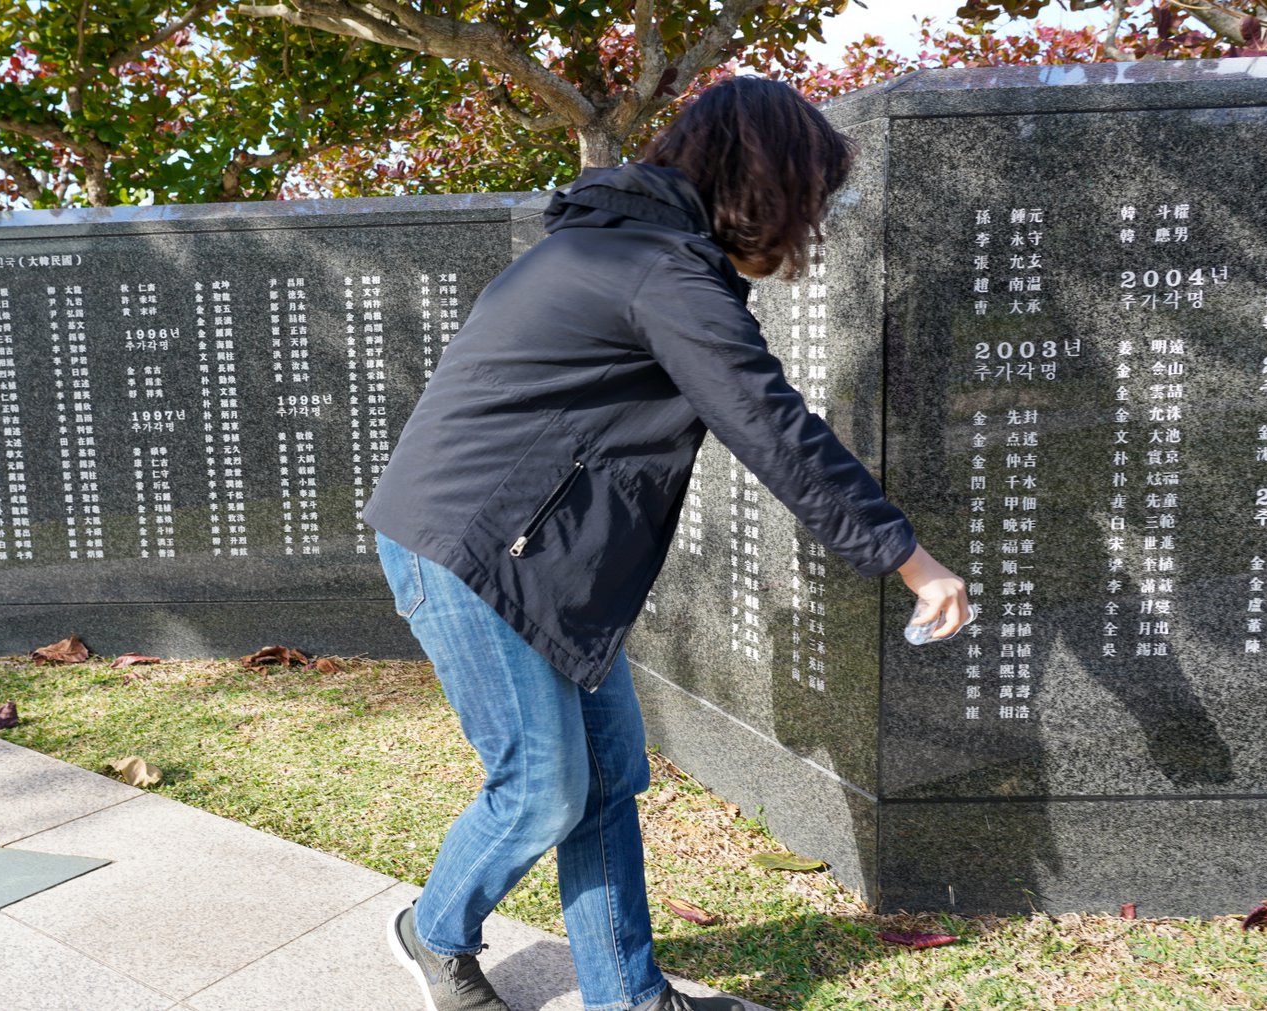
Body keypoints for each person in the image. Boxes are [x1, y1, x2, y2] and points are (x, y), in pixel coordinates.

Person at [362, 75, 972, 1011]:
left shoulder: (627, 243)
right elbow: (774, 428)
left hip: (542, 549)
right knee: (543, 787)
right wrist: (911, 559)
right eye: (812, 196)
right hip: (471, 549)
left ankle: (628, 997)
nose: (813, 223)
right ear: (765, 182)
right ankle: (434, 929)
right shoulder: (656, 267)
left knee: (607, 777)